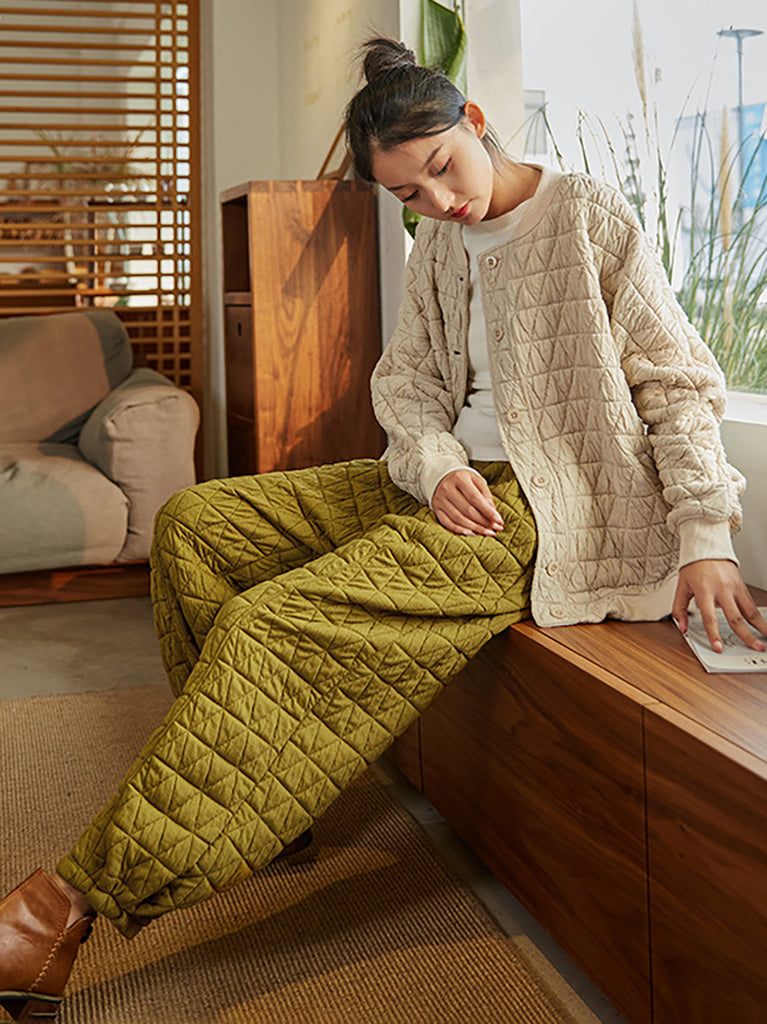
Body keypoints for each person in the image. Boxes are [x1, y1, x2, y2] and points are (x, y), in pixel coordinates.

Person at [1, 35, 765, 1022]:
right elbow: (405, 385)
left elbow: (678, 383)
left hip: (551, 509)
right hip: (442, 484)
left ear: (475, 123)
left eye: (443, 168)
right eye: (409, 193)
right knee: (196, 521)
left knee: (272, 624)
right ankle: (263, 805)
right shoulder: (440, 242)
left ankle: (59, 909)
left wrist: (705, 536)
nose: (438, 201)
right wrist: (438, 466)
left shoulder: (584, 213)